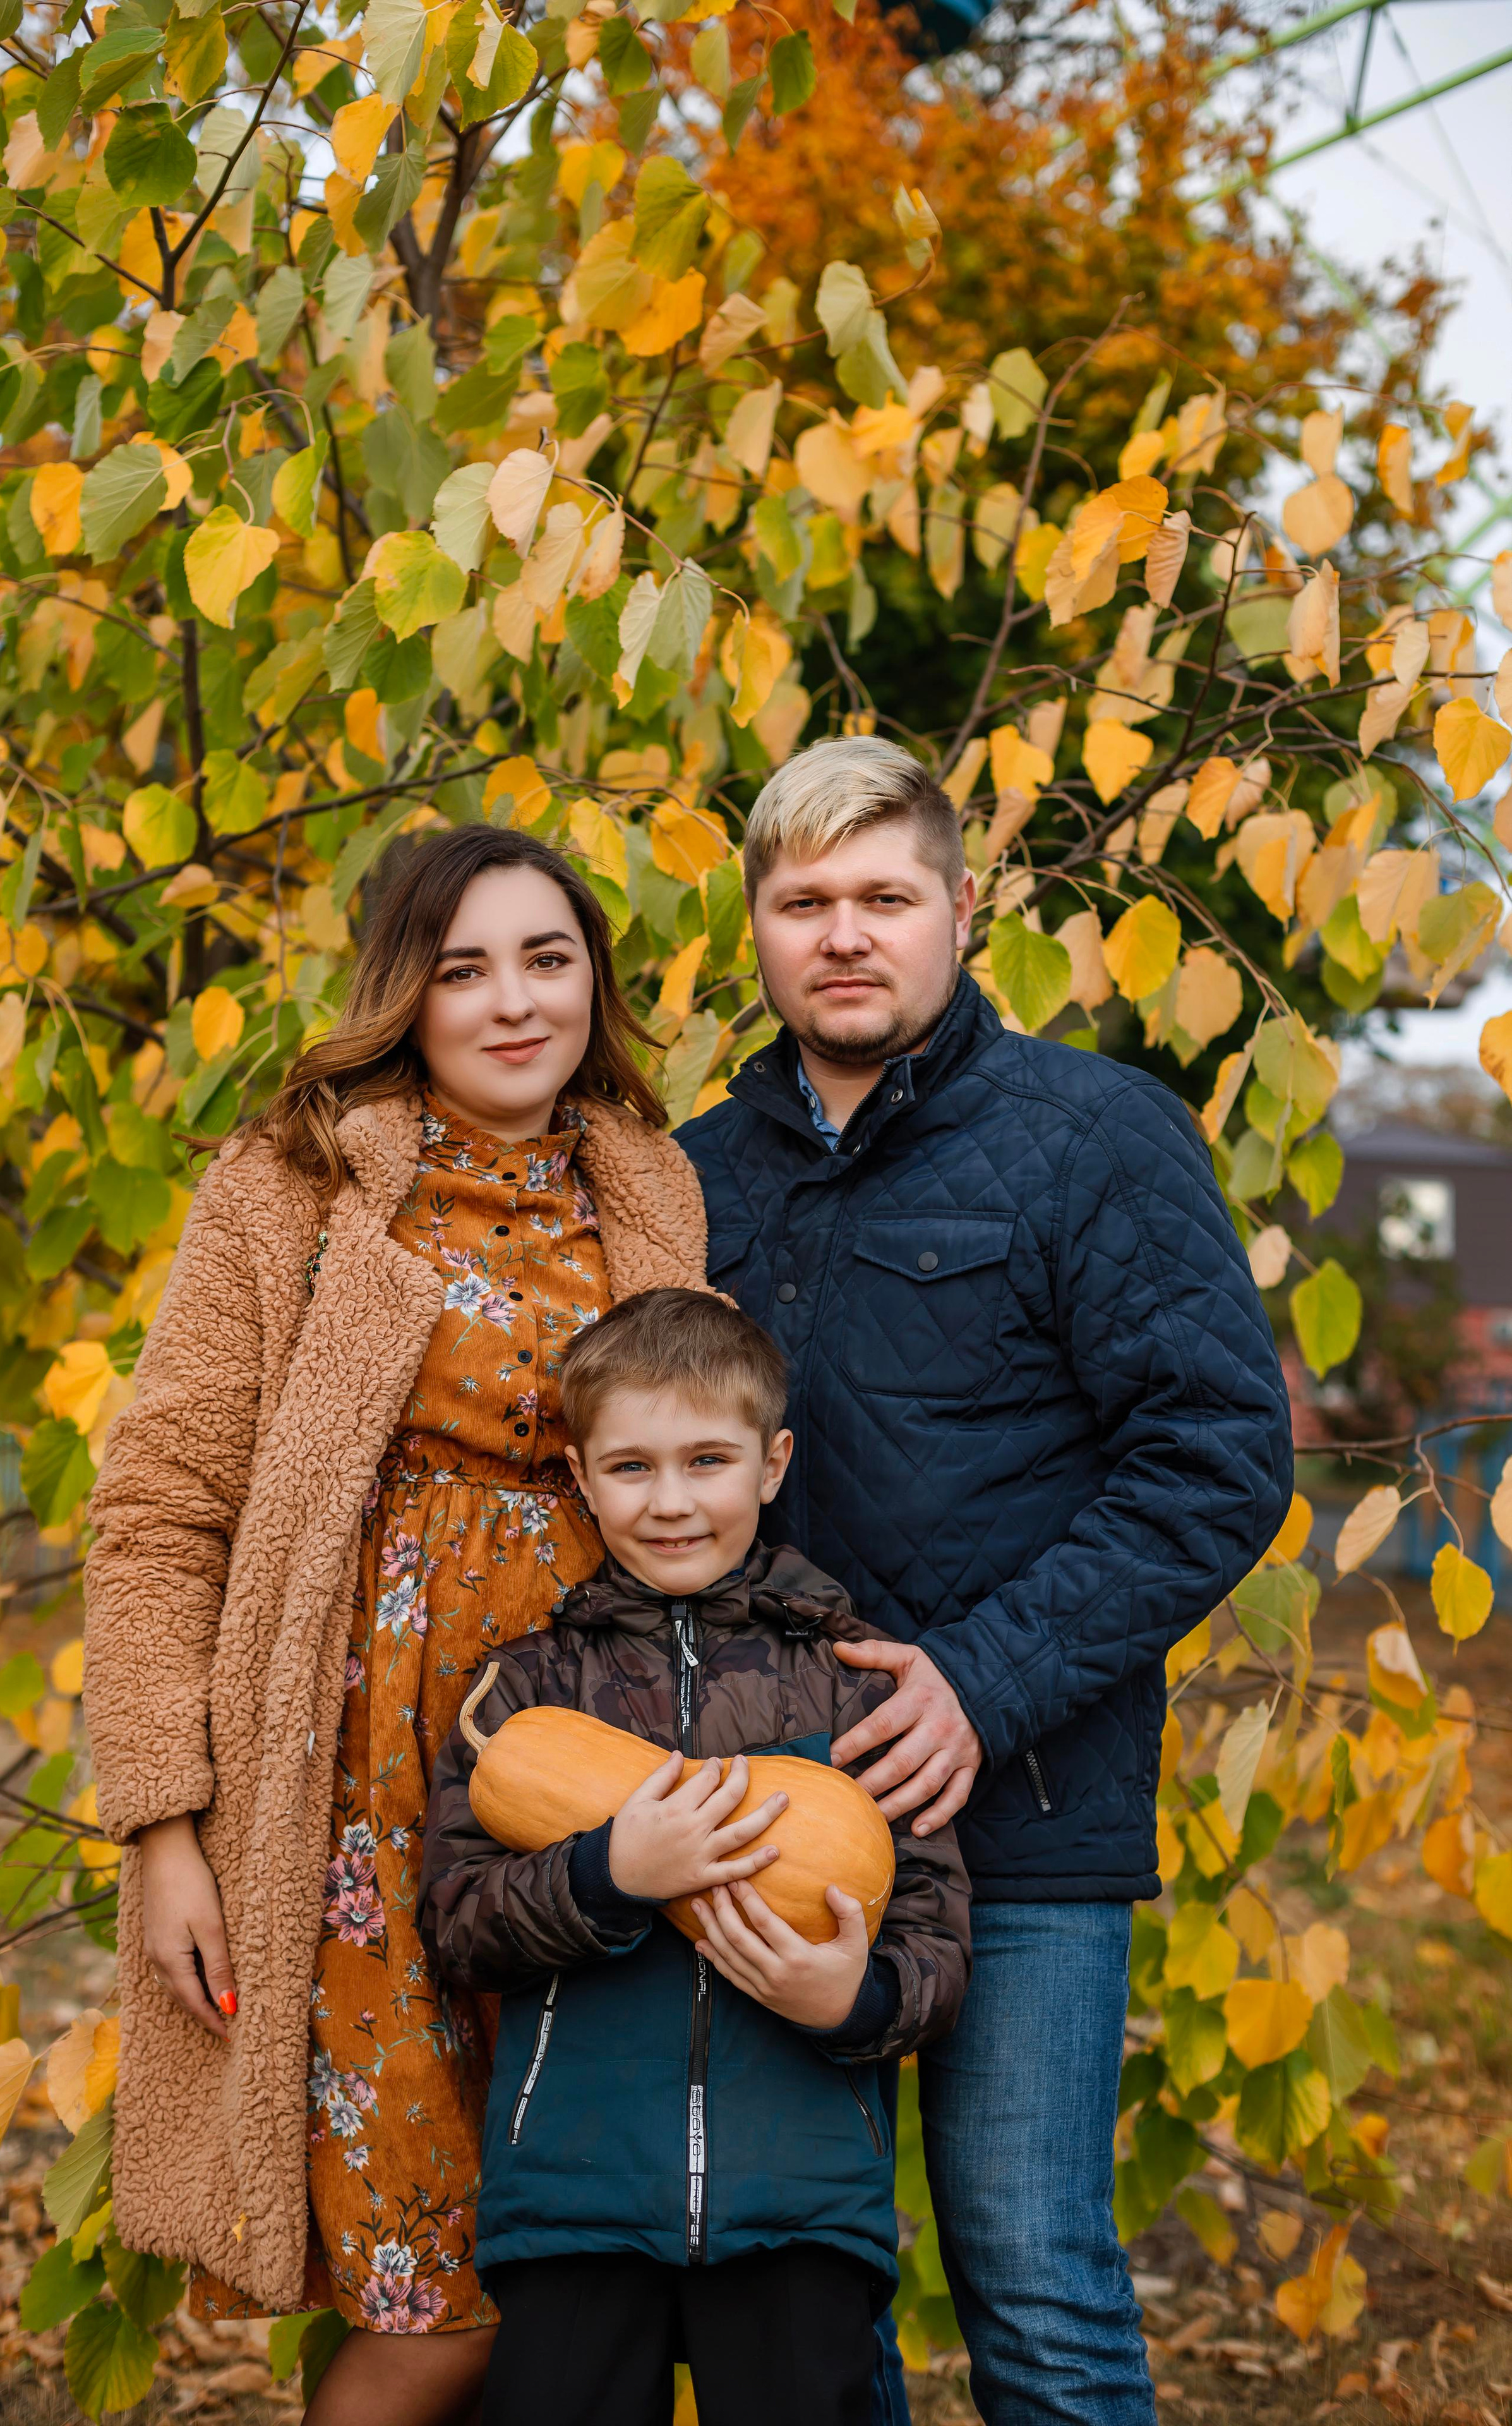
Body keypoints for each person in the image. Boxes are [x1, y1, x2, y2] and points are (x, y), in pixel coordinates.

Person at [676, 737, 1297, 2426]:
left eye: (885, 897)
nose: (846, 935)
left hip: (1023, 1809)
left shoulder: (1093, 1137)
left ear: (961, 910)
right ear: (758, 930)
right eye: (806, 903)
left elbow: (1222, 1455)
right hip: (769, 1814)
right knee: (812, 2289)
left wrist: (986, 1678)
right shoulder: (692, 1174)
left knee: (1034, 2276)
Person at [83, 827, 712, 2426]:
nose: (513, 1001)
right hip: (355, 1816)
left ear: (594, 984)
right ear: (404, 997)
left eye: (547, 959)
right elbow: (161, 1508)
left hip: (589, 1792)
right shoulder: (294, 1191)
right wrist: (164, 1825)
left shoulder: (650, 1188)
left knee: (574, 2271)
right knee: (433, 2299)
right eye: (464, 968)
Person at [418, 1288, 971, 2426]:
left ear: (771, 1465)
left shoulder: (858, 1685)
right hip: (576, 2190)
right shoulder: (527, 1690)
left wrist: (851, 1999)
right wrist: (608, 1873)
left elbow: (934, 1939)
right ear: (581, 1479)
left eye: (707, 1461)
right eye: (631, 1468)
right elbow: (458, 1921)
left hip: (801, 2196)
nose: (671, 1503)